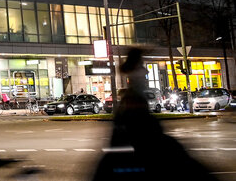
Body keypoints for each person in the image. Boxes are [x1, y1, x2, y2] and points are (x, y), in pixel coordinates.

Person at [91, 48, 214, 180]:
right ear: (132, 74)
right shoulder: (134, 103)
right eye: (141, 67)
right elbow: (142, 134)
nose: (146, 71)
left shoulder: (132, 101)